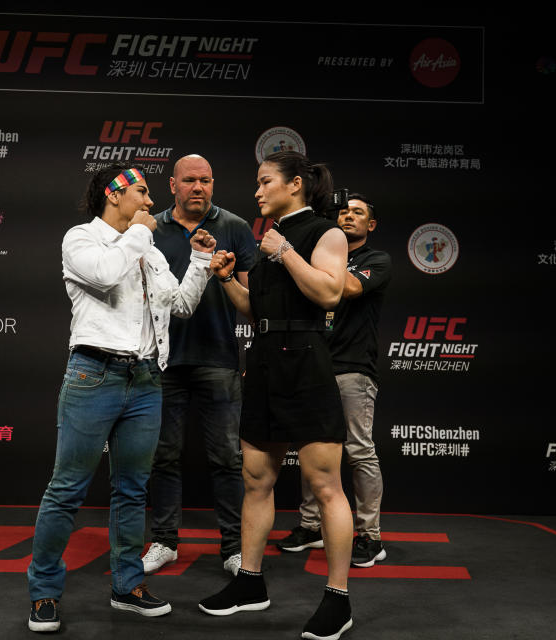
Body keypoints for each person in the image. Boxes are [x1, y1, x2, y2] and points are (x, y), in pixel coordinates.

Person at [26, 164, 216, 633]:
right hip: (94, 374)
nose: (151, 203)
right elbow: (108, 276)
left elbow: (181, 305)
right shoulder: (81, 240)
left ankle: (127, 587)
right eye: (143, 193)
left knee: (132, 491)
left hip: (147, 381)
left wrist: (199, 262)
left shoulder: (145, 246)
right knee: (66, 489)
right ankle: (43, 593)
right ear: (114, 195)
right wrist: (138, 236)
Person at [199, 152, 355, 640]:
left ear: (295, 185)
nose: (257, 191)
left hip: (306, 361)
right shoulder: (265, 238)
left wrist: (284, 251)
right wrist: (225, 276)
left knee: (325, 484)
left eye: (266, 182)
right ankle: (249, 582)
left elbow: (330, 293)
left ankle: (338, 599)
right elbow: (254, 307)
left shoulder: (324, 232)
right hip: (264, 359)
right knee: (256, 480)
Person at [143, 154, 257, 576]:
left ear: (214, 183)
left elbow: (251, 303)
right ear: (172, 184)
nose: (198, 187)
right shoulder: (150, 229)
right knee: (164, 456)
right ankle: (164, 541)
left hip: (219, 359)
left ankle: (233, 547)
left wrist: (224, 276)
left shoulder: (235, 227)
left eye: (205, 180)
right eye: (189, 180)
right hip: (163, 360)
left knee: (227, 458)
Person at [276, 194, 391, 569]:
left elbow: (348, 289)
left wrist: (314, 268)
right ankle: (311, 527)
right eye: (344, 211)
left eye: (359, 212)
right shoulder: (320, 257)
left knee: (358, 450)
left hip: (353, 368)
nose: (349, 216)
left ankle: (370, 536)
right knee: (314, 450)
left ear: (370, 225)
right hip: (314, 366)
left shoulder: (376, 260)